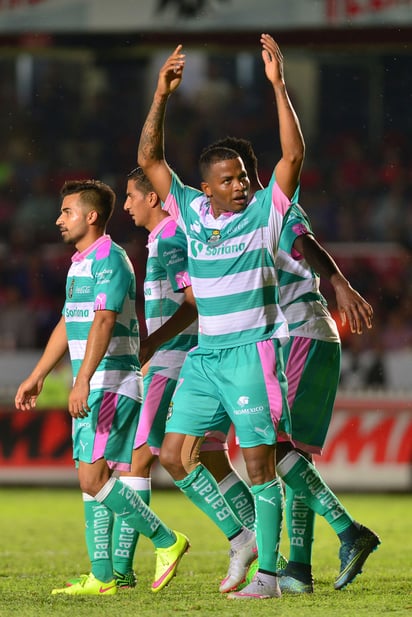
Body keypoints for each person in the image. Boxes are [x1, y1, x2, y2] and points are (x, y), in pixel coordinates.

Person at [138, 34, 305, 600]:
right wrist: (161, 94)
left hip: (253, 353)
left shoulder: (263, 214)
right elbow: (149, 161)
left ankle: (270, 579)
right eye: (229, 179)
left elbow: (292, 158)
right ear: (206, 187)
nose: (240, 185)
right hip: (207, 357)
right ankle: (240, 537)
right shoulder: (188, 210)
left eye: (242, 177)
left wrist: (279, 86)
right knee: (173, 455)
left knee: (258, 465)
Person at [211, 135, 381, 592]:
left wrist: (338, 279)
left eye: (237, 176)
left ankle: (349, 532)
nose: (234, 187)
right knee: (294, 456)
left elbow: (303, 241)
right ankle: (300, 571)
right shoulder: (241, 224)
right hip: (306, 335)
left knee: (272, 446)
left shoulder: (272, 206)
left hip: (302, 332)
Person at [14, 179, 189, 596]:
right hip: (96, 382)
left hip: (110, 382)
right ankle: (103, 576)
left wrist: (83, 380)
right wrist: (38, 374)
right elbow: (68, 321)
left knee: (94, 478)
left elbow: (104, 320)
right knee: (91, 479)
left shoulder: (111, 259)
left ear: (91, 217)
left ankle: (167, 540)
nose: (59, 219)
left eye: (67, 211)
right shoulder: (80, 262)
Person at [109, 166, 257, 585]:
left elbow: (192, 303)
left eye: (131, 195)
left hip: (176, 359)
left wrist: (152, 344)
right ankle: (264, 545)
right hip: (190, 358)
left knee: (139, 458)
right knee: (210, 457)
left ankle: (123, 570)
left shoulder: (173, 238)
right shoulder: (164, 238)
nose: (126, 204)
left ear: (153, 198)